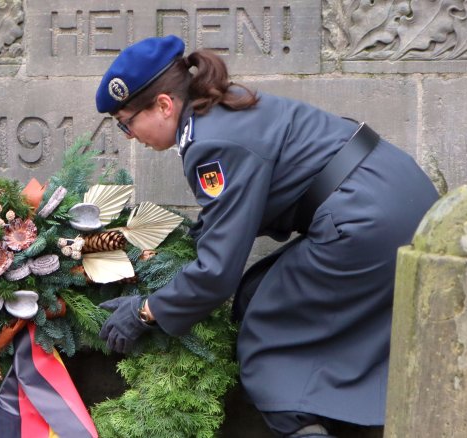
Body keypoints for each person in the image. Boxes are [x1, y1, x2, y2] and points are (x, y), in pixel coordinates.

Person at [94, 35, 438, 437]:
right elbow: (233, 213)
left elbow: (217, 274)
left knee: (267, 349)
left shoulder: (210, 144)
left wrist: (145, 311)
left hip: (366, 223)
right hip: (398, 197)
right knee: (259, 291)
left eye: (125, 123)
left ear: (164, 105)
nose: (130, 136)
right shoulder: (221, 106)